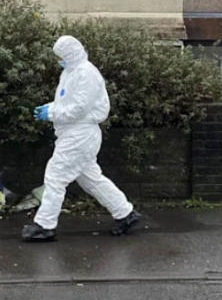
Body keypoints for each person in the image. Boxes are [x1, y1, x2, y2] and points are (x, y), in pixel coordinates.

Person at [21, 35, 141, 242]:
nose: (59, 60)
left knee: (55, 176)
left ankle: (44, 225)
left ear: (70, 54)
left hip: (80, 135)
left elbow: (79, 108)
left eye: (61, 56)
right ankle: (125, 213)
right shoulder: (71, 72)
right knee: (91, 179)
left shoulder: (86, 73)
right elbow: (68, 102)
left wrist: (51, 113)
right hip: (75, 134)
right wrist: (51, 107)